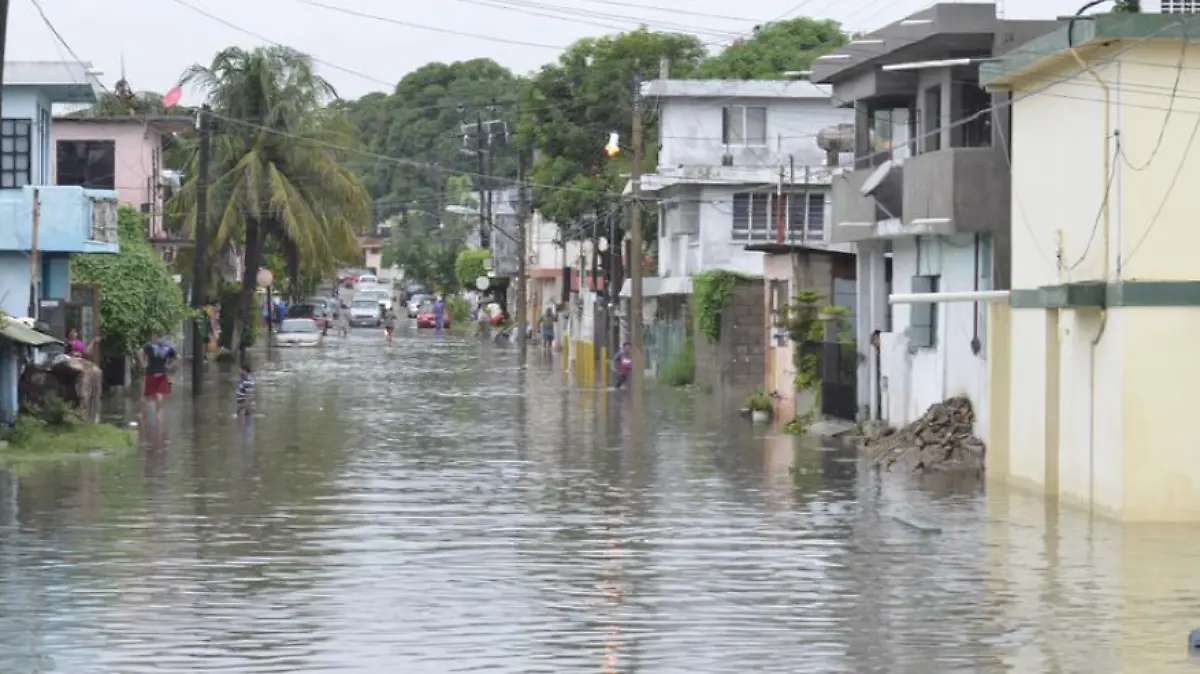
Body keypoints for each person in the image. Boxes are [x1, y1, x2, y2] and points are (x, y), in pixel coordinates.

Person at [139, 330, 177, 424]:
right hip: (162, 373)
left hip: (151, 372)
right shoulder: (168, 347)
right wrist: (170, 366)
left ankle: (144, 414)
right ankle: (158, 414)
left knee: (147, 396)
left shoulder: (150, 345)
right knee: (159, 394)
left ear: (155, 336)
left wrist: (143, 364)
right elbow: (178, 358)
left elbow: (139, 352)